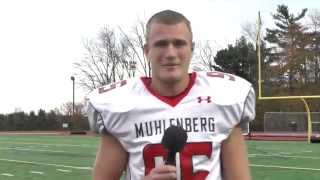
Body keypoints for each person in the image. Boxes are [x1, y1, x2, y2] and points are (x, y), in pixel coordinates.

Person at [87, 9, 255, 180]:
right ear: (147, 51)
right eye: (161, 44)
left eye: (179, 43)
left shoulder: (223, 97)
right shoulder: (120, 105)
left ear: (192, 48)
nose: (170, 54)